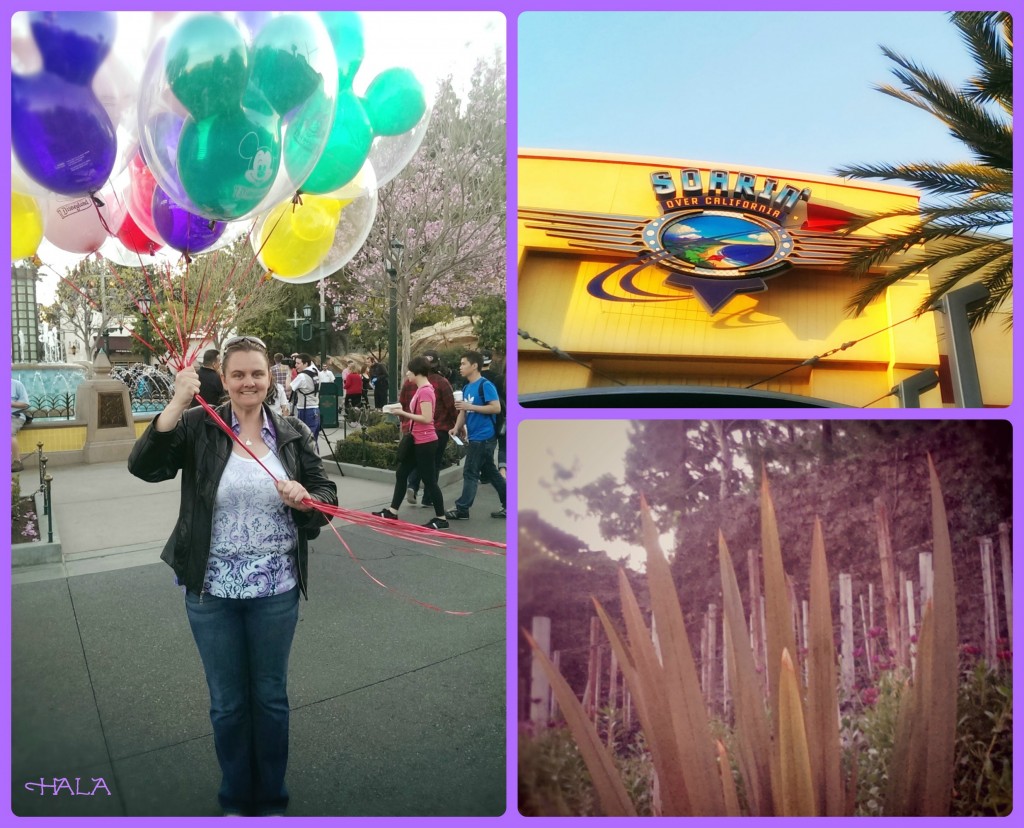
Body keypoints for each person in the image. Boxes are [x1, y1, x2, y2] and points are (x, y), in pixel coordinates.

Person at [127, 335, 337, 817]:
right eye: (238, 374)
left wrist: (306, 497)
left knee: (269, 697)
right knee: (226, 702)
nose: (248, 382)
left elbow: (325, 499)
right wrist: (176, 403)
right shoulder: (201, 425)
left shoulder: (289, 433)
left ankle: (271, 797)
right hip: (211, 590)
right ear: (223, 378)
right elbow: (145, 466)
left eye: (257, 374)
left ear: (269, 377)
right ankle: (236, 798)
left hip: (275, 591)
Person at [372, 357, 448, 529]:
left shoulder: (426, 391)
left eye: (409, 370)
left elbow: (427, 418)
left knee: (429, 480)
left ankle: (441, 518)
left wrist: (403, 413)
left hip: (425, 442)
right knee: (401, 473)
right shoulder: (420, 389)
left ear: (416, 372)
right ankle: (392, 511)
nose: (406, 373)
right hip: (416, 440)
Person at [446, 350, 506, 520]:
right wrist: (457, 427)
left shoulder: (485, 385)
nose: (460, 367)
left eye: (463, 363)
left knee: (470, 472)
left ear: (474, 366)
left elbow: (496, 408)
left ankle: (462, 508)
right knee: (492, 473)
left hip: (484, 437)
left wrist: (470, 406)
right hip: (476, 437)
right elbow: (463, 412)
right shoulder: (466, 387)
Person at [400, 351, 455, 508]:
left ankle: (412, 486)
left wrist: (405, 422)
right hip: (437, 430)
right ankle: (428, 499)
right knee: (432, 465)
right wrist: (457, 424)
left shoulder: (411, 384)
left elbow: (402, 402)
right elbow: (451, 405)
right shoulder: (441, 383)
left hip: (413, 430)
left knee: (413, 462)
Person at [289, 354, 321, 447]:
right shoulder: (315, 372)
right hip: (315, 408)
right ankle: (315, 459)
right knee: (313, 440)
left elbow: (288, 387)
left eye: (298, 363)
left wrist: (288, 372)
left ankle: (307, 460)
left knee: (306, 441)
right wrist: (300, 356)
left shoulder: (302, 376)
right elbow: (311, 363)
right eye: (295, 363)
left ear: (306, 363)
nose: (295, 365)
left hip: (306, 410)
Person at [11, 378, 30, 472]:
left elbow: (25, 404)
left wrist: (10, 403)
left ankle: (17, 461)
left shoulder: (17, 384)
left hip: (14, 416)